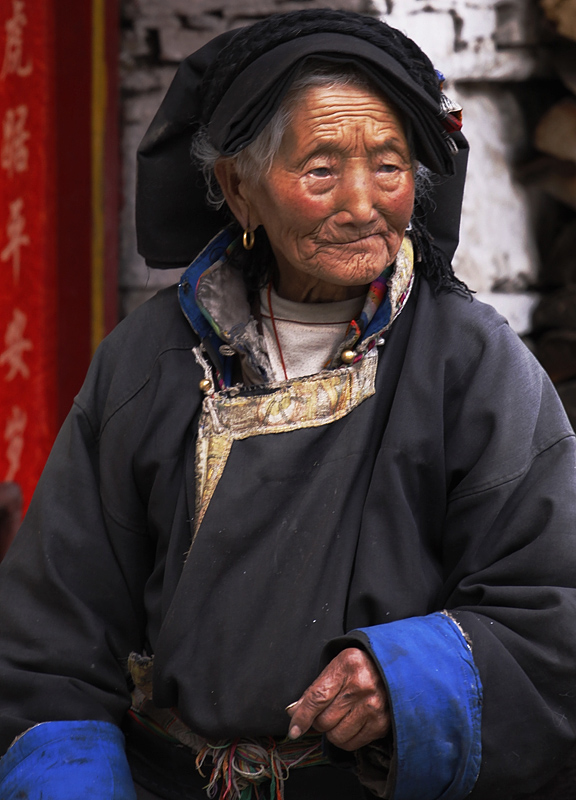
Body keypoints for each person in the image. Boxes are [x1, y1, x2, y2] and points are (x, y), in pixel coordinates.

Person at [0, 9, 575, 800]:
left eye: (390, 164)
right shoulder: (149, 362)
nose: (363, 201)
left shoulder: (471, 362)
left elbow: (554, 603)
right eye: (320, 170)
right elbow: (53, 639)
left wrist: (407, 679)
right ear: (239, 188)